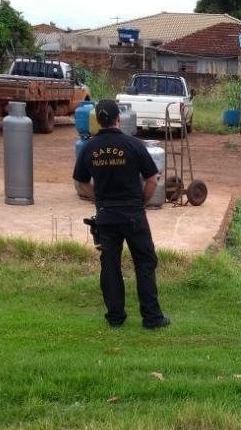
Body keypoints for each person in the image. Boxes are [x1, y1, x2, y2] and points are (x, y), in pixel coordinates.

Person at [73, 100, 170, 329]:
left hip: (106, 216)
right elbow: (152, 180)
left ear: (98, 119)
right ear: (118, 119)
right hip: (134, 215)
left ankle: (115, 318)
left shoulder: (89, 147)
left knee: (110, 266)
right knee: (145, 263)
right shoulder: (134, 145)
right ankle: (152, 318)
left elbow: (81, 181)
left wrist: (99, 199)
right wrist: (141, 202)